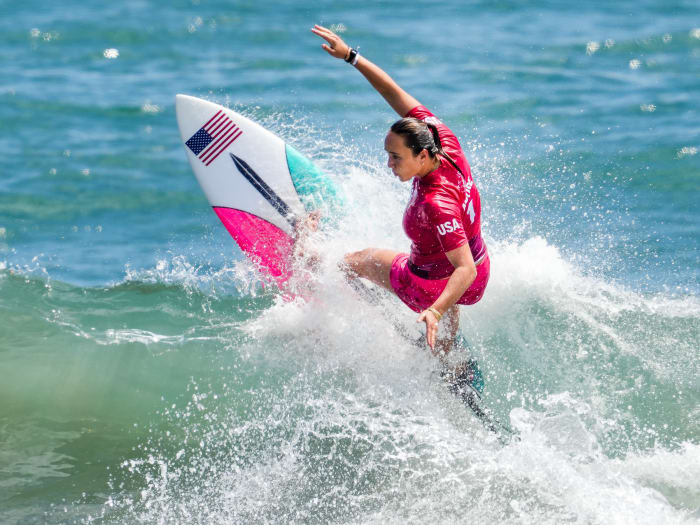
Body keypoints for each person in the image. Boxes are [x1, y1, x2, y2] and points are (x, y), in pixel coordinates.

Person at [311, 25, 490, 358]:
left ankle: (391, 318)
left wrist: (434, 310)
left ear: (422, 155)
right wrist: (351, 56)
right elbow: (394, 92)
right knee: (443, 261)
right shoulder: (442, 140)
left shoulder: (435, 203)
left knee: (352, 263)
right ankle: (444, 353)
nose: (389, 164)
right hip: (476, 274)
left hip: (433, 282)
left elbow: (465, 269)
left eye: (395, 157)